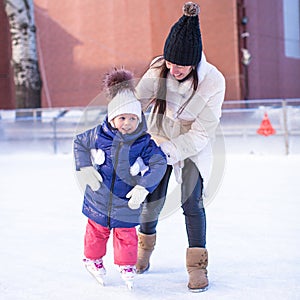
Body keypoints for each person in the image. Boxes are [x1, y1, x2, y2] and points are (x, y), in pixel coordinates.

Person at [134, 2, 226, 292]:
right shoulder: (159, 69)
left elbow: (202, 132)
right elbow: (136, 103)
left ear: (195, 60)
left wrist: (171, 151)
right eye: (171, 63)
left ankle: (197, 267)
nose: (174, 70)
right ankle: (144, 250)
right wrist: (119, 123)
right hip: (159, 134)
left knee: (191, 203)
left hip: (191, 145)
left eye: (181, 65)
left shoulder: (213, 81)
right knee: (153, 201)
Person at [73, 68, 167, 288]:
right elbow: (79, 142)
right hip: (98, 196)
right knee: (96, 232)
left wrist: (144, 187)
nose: (127, 123)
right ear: (112, 117)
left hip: (126, 199)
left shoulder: (143, 142)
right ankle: (92, 260)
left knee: (126, 234)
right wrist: (85, 167)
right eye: (122, 117)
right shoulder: (99, 134)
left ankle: (127, 266)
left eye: (132, 118)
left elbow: (159, 162)